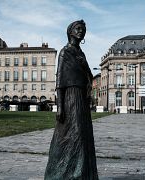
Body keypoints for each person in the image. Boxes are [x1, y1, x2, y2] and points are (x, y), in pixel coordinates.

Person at [44, 20, 98, 179]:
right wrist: (60, 106)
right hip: (70, 97)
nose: (81, 31)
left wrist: (85, 67)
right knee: (72, 135)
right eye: (78, 28)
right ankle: (64, 173)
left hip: (82, 97)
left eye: (83, 29)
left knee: (83, 136)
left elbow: (89, 76)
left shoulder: (81, 53)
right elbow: (59, 81)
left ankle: (82, 173)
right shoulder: (64, 52)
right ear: (70, 32)